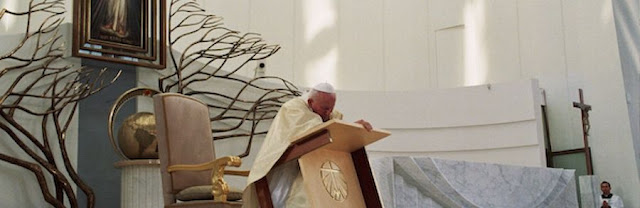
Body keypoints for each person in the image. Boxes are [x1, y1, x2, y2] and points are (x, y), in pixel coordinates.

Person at [242, 83, 372, 207]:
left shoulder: (332, 114)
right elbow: (313, 129)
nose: (329, 113)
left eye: (331, 108)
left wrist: (352, 128)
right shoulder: (293, 108)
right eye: (325, 108)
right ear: (310, 102)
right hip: (286, 165)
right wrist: (346, 127)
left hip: (316, 165)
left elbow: (336, 133)